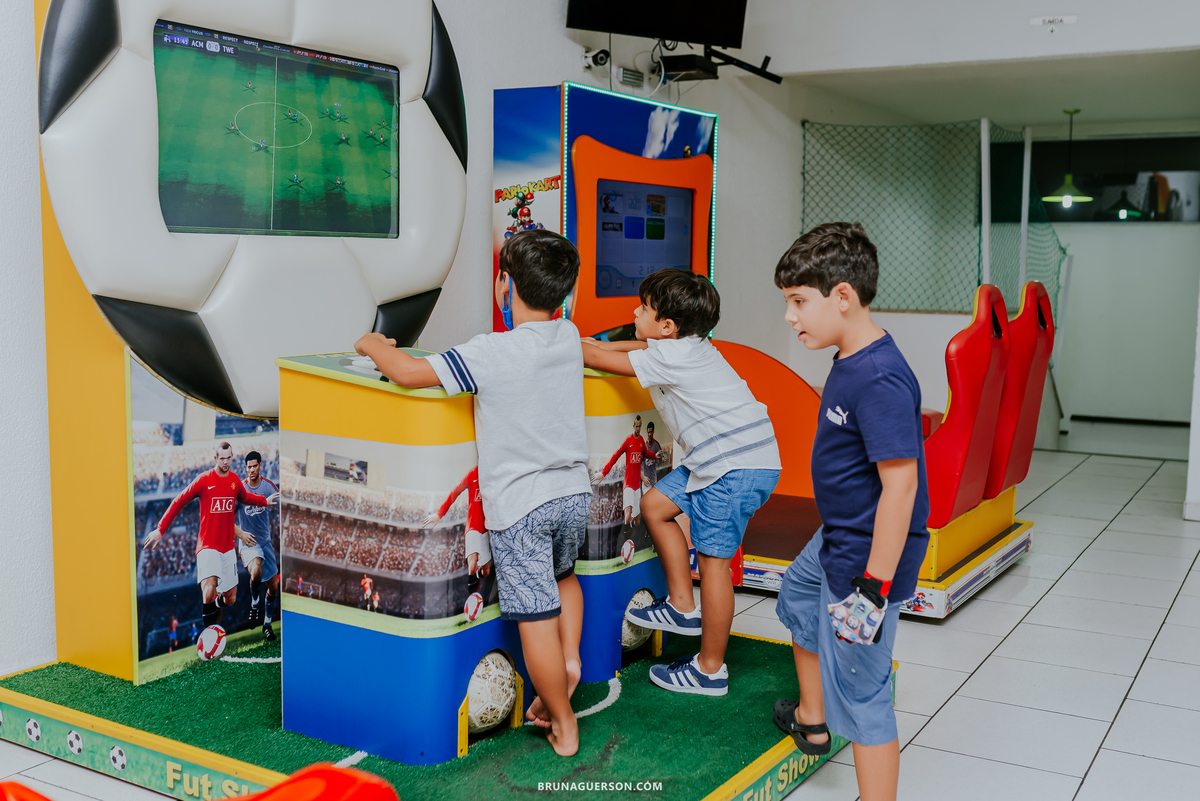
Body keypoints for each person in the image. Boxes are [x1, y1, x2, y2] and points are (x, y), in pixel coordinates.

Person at [354, 229, 591, 757]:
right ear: (565, 295)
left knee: (535, 616)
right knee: (565, 577)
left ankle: (564, 719)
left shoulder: (490, 350)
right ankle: (570, 662)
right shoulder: (569, 336)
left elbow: (408, 373)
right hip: (574, 493)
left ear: (504, 284)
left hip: (523, 506)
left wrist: (372, 343)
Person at [770, 223, 929, 801]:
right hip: (837, 536)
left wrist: (873, 589)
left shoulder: (880, 377)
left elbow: (902, 488)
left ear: (842, 296)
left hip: (867, 559)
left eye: (798, 302)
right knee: (794, 598)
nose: (791, 317)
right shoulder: (849, 355)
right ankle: (813, 717)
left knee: (864, 695)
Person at [581, 269, 780, 696]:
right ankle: (682, 607)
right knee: (655, 506)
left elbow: (598, 360)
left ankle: (709, 671)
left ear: (667, 327)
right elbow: (632, 345)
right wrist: (594, 342)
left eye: (644, 308)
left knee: (713, 566)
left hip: (730, 467)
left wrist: (567, 343)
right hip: (740, 458)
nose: (635, 311)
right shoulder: (689, 346)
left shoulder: (668, 357)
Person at [144, 442, 279, 628]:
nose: (225, 462)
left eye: (228, 458)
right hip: (207, 545)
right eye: (222, 458)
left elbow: (246, 498)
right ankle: (208, 638)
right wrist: (160, 529)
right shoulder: (204, 480)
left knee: (230, 598)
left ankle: (215, 605)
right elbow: (179, 501)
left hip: (227, 548)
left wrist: (264, 501)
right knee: (209, 589)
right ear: (215, 458)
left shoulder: (234, 481)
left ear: (232, 457)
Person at [235, 450, 280, 640]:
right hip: (248, 541)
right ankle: (254, 602)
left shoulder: (269, 487)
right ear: (245, 468)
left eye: (254, 466)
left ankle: (267, 624)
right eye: (248, 467)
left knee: (273, 587)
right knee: (256, 570)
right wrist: (241, 534)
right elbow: (226, 519)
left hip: (265, 542)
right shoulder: (239, 490)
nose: (251, 469)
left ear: (260, 465)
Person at [422, 466, 491, 582]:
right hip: (473, 526)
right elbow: (455, 492)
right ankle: (472, 590)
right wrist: (439, 513)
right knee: (473, 558)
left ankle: (478, 575)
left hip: (487, 527)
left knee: (486, 571)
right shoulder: (472, 474)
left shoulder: (492, 472)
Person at [593, 415, 659, 532]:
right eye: (636, 426)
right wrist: (604, 473)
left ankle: (631, 531)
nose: (638, 428)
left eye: (640, 426)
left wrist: (655, 455)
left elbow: (646, 453)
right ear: (633, 426)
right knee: (628, 512)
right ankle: (625, 538)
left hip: (637, 487)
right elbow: (616, 455)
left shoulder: (641, 441)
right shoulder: (628, 441)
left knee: (637, 520)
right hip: (628, 484)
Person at [642, 421, 663, 489]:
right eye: (648, 432)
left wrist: (663, 459)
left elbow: (661, 458)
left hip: (654, 480)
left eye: (650, 432)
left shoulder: (656, 445)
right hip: (646, 481)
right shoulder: (644, 446)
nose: (649, 434)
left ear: (653, 432)